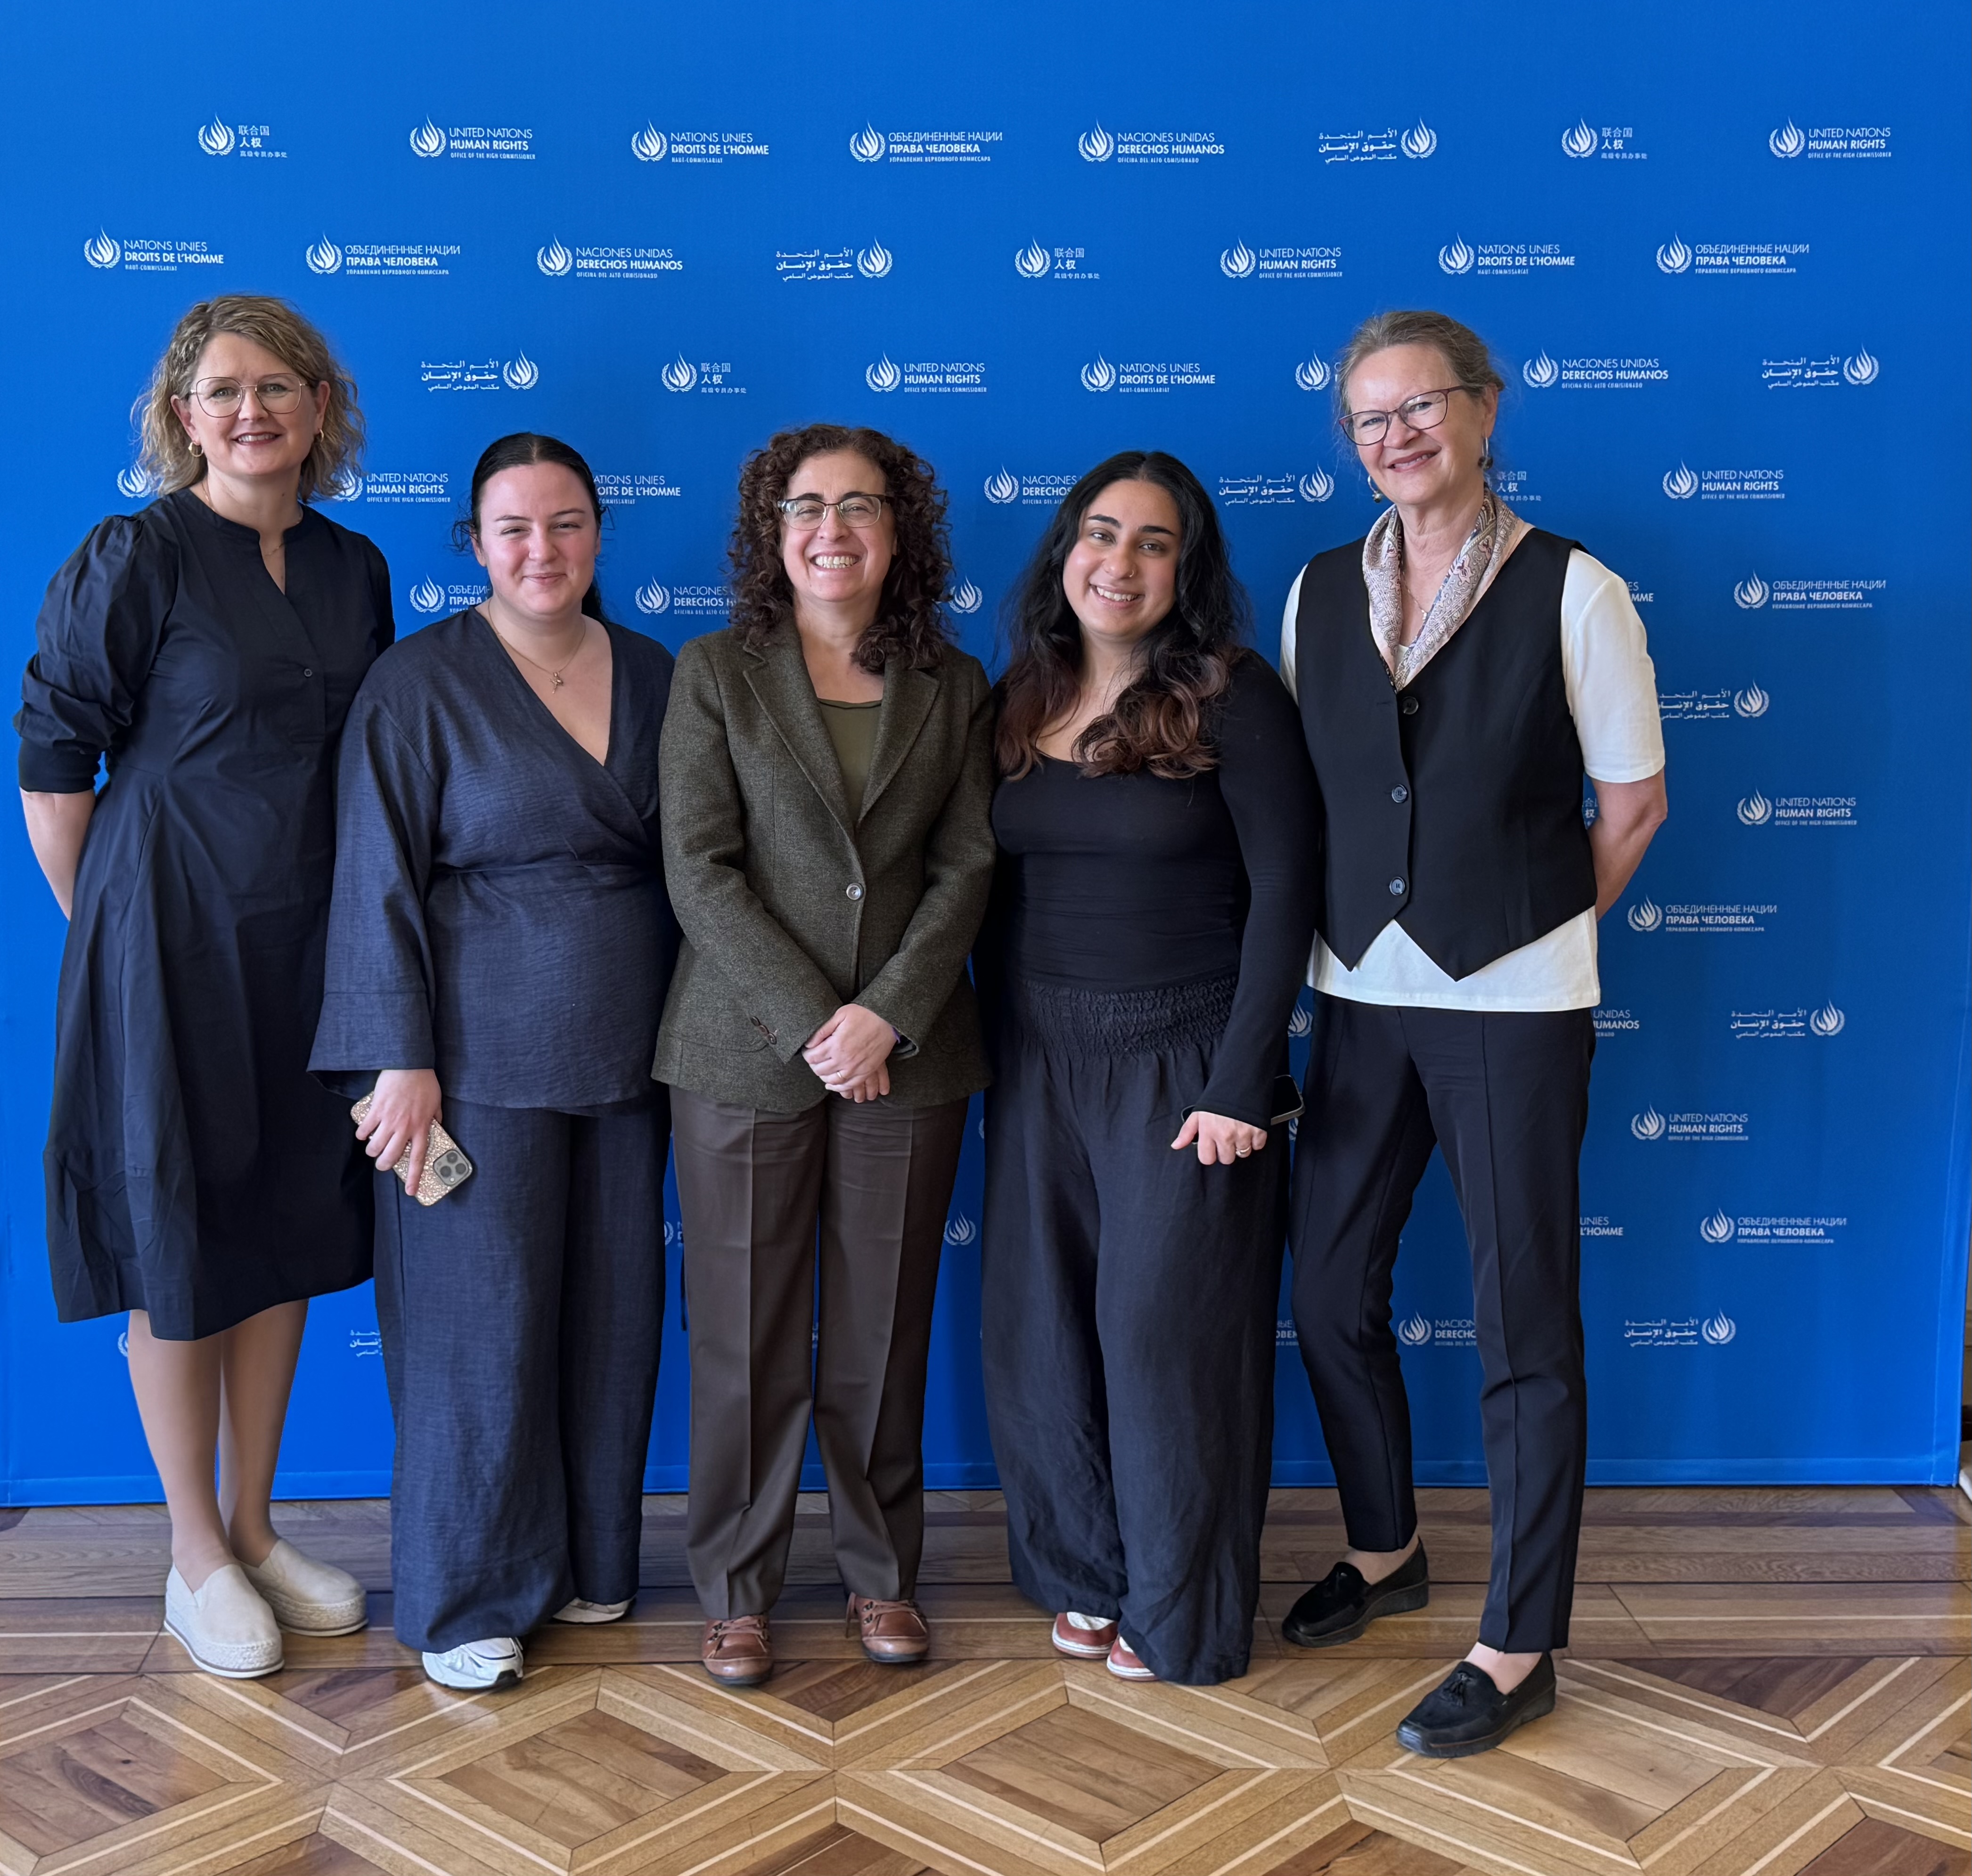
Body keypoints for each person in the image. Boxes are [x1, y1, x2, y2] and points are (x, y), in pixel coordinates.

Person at [1280, 310, 1667, 1756]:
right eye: (1369, 418)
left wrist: (1534, 927)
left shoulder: (1576, 590)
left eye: (1420, 406)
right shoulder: (1316, 591)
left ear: (1484, 410)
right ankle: (1385, 1549)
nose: (1396, 436)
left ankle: (1517, 1643)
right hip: (1355, 995)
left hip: (1510, 1006)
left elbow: (1631, 805)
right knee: (1328, 1289)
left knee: (1523, 1326)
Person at [15, 295, 388, 1679]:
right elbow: (55, 767)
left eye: (278, 386)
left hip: (312, 948)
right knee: (174, 1234)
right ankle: (192, 1554)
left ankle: (253, 1525)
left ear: (319, 408)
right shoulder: (137, 554)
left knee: (281, 1224)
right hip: (162, 944)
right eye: (223, 389)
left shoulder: (354, 566)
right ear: (184, 416)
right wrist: (113, 935)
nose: (252, 411)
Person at [309, 434, 676, 1691]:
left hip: (634, 1053)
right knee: (478, 1331)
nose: (541, 550)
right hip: (469, 1065)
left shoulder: (656, 671)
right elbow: (373, 879)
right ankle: (468, 1596)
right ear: (473, 543)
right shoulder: (417, 683)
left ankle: (586, 1560)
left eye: (565, 523)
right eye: (513, 528)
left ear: (598, 533)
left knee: (612, 1316)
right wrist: (394, 1059)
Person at [657, 423, 995, 1688]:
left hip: (908, 1054)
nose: (832, 529)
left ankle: (880, 1575)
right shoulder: (715, 672)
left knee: (880, 1332)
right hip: (743, 1050)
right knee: (741, 1336)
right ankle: (735, 1591)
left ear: (900, 534)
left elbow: (967, 867)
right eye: (806, 506)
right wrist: (816, 1019)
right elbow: (699, 867)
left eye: (860, 506)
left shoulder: (954, 683)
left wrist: (884, 1013)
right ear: (772, 530)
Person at [978, 451, 1315, 1686]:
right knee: (1043, 1336)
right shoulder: (1016, 699)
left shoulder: (1233, 696)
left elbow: (1288, 895)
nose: (1119, 563)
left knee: (1167, 1345)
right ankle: (1087, 1575)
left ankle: (1181, 1611)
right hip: (1034, 1058)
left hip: (1188, 1060)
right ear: (1065, 551)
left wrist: (1244, 1080)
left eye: (1152, 543)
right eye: (1100, 533)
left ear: (1186, 570)